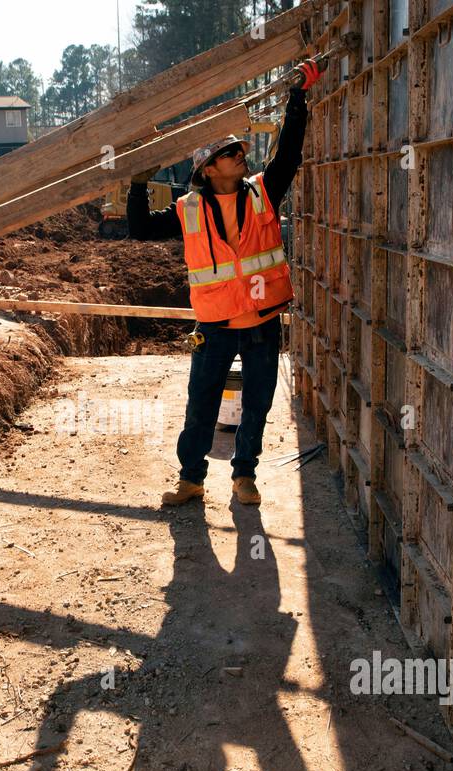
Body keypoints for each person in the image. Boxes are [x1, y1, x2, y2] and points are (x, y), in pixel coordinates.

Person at [128, 59, 320, 508]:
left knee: (256, 404)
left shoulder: (261, 194)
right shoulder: (189, 208)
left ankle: (244, 476)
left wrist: (298, 99)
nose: (238, 154)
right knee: (201, 406)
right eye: (227, 153)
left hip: (261, 323)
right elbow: (139, 228)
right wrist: (137, 184)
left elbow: (289, 154)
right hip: (213, 326)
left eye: (238, 150)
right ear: (208, 170)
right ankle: (191, 478)